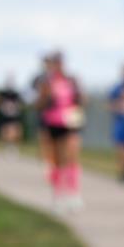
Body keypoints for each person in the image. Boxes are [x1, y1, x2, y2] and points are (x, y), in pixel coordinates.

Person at [36, 52, 85, 211]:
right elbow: (40, 104)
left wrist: (79, 96)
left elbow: (81, 100)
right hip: (52, 123)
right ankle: (58, 195)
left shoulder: (71, 81)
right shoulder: (47, 82)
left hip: (69, 123)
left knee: (71, 156)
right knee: (57, 160)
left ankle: (73, 193)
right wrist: (47, 97)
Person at [109, 65, 124, 182]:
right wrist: (118, 107)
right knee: (121, 148)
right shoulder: (117, 88)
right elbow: (110, 104)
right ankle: (123, 172)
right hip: (121, 121)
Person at [0, 74, 25, 152]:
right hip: (4, 115)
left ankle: (13, 146)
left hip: (14, 115)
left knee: (15, 131)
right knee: (4, 131)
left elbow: (20, 104)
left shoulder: (16, 94)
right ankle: (5, 146)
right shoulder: (2, 93)